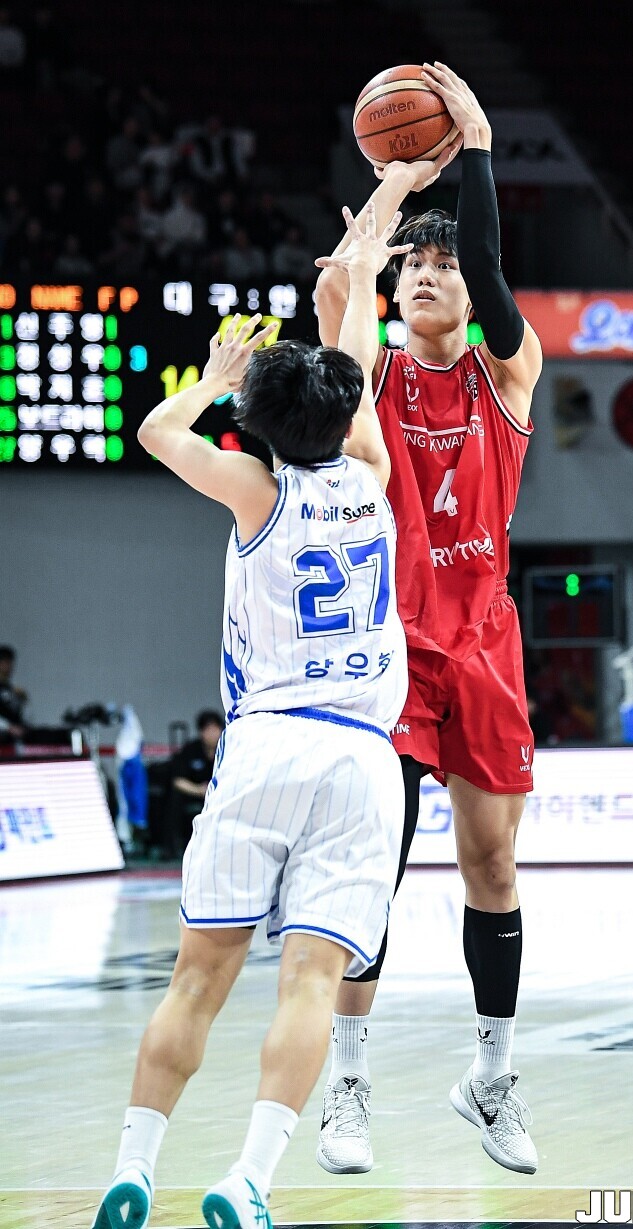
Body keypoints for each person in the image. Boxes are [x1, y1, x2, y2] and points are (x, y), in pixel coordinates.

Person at [91, 204, 411, 1229]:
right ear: (343, 417)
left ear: (259, 426)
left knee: (195, 981)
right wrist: (365, 263)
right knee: (311, 983)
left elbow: (155, 432)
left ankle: (134, 1168)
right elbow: (354, 362)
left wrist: (217, 378)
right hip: (361, 757)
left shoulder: (251, 490)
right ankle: (250, 1179)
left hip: (266, 744)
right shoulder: (375, 478)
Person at [314, 61, 542, 1176]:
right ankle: (346, 1082)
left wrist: (478, 151)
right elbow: (341, 287)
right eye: (415, 268)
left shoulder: (509, 370)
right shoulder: (371, 382)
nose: (427, 277)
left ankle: (489, 1077)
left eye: (441, 267)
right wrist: (395, 190)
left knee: (491, 867)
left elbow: (491, 270)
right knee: (378, 867)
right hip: (394, 652)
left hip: (486, 646)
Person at [163, 709, 225, 858]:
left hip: (221, 795)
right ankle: (171, 849)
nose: (212, 734)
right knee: (174, 799)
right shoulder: (191, 750)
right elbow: (178, 780)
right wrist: (198, 789)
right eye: (208, 729)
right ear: (201, 732)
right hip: (195, 794)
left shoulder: (229, 749)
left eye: (215, 729)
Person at [0, 645, 27, 742]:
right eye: (6, 662)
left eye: (11, 662)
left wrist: (23, 700)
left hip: (13, 739)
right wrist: (8, 727)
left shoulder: (13, 690)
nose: (10, 666)